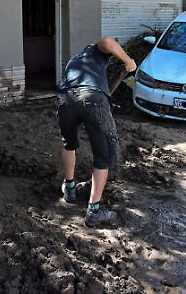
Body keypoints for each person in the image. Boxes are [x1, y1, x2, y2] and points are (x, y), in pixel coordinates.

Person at [57, 37, 136, 228]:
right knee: (104, 154)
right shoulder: (97, 50)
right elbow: (108, 41)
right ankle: (94, 210)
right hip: (91, 98)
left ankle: (69, 188)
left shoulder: (75, 61)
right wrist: (128, 61)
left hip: (65, 99)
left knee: (69, 144)